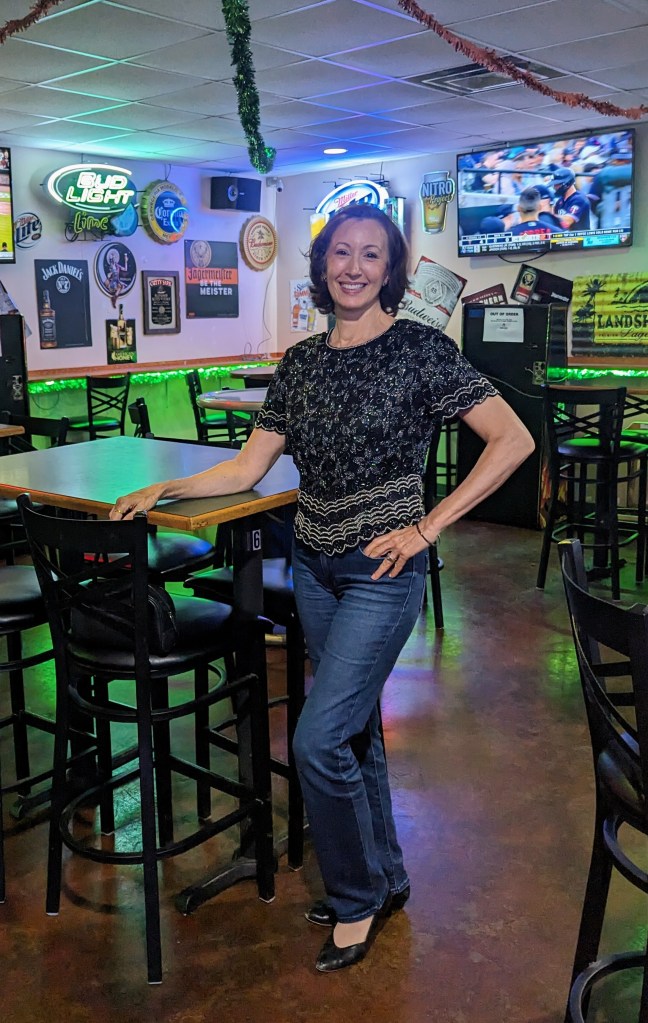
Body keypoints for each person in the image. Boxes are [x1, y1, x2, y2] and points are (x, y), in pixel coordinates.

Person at [109, 203, 534, 973]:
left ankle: (355, 897)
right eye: (342, 251)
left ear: (390, 269)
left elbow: (513, 439)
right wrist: (166, 487)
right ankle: (385, 876)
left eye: (371, 254)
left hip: (383, 572)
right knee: (355, 729)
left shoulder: (421, 350)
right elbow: (248, 466)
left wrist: (428, 527)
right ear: (322, 263)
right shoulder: (302, 362)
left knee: (316, 737)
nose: (354, 267)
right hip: (313, 566)